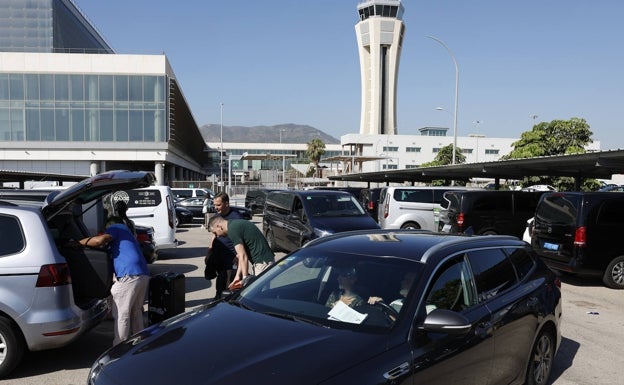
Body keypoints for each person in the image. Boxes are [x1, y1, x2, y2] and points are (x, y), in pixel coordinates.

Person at [79, 216, 150, 346]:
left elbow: (100, 240)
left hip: (129, 274)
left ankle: (119, 347)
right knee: (136, 311)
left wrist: (78, 243)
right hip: (143, 274)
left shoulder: (116, 227)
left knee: (122, 313)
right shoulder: (127, 236)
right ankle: (141, 343)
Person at [209, 215, 275, 288]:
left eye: (215, 233)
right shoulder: (234, 225)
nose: (217, 236)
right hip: (263, 261)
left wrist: (245, 278)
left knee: (259, 293)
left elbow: (243, 256)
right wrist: (237, 276)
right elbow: (241, 256)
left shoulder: (232, 230)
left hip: (262, 263)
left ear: (219, 226)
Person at [208, 192, 243, 299]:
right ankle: (218, 298)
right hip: (219, 256)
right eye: (214, 205)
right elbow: (214, 234)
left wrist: (238, 256)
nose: (216, 207)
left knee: (232, 285)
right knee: (220, 282)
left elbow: (242, 240)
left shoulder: (236, 218)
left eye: (218, 205)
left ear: (226, 203)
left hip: (231, 257)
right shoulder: (217, 216)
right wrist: (209, 251)